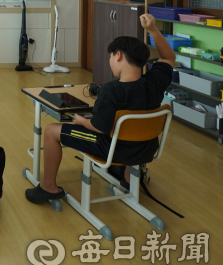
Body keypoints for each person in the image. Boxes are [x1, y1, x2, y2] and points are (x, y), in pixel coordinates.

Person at [25, 14, 175, 204]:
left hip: (113, 149)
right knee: (135, 125)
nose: (110, 61)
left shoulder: (111, 90)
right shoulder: (156, 82)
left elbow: (100, 127)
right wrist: (153, 29)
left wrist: (81, 121)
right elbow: (168, 56)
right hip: (146, 147)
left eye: (111, 57)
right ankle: (129, 179)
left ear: (118, 55)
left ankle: (48, 187)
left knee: (51, 130)